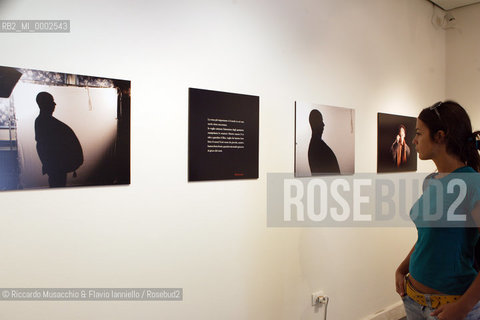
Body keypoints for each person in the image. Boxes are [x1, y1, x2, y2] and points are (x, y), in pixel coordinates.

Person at [395, 101, 480, 319]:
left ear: (440, 136)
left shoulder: (472, 184)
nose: (414, 141)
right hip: (413, 299)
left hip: (451, 305)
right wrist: (402, 268)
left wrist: (463, 307)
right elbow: (428, 236)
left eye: (419, 133)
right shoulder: (431, 181)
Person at [34, 92, 83, 188]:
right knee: (57, 186)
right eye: (52, 102)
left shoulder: (45, 121)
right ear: (45, 104)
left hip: (57, 165)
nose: (54, 104)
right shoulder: (44, 122)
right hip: (56, 165)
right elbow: (44, 146)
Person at [307, 109, 340, 175]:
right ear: (315, 124)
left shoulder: (316, 145)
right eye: (320, 121)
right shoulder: (316, 147)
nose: (323, 124)